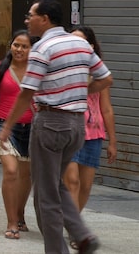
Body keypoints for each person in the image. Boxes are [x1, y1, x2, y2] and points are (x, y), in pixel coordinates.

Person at [0, 0, 113, 254]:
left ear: (45, 19)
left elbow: (26, 92)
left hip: (50, 123)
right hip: (76, 126)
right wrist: (80, 92)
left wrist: (7, 127)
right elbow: (106, 78)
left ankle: (59, 249)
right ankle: (81, 235)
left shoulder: (43, 48)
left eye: (31, 15)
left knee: (46, 196)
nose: (27, 20)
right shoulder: (80, 44)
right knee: (56, 184)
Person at [0, 30, 33, 240]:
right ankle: (11, 222)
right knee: (11, 172)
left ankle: (20, 213)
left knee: (25, 176)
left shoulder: (37, 71)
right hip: (5, 127)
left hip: (31, 127)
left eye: (24, 46)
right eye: (16, 45)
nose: (19, 50)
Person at [65, 26, 117, 218]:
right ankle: (72, 226)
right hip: (68, 131)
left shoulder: (99, 72)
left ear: (91, 46)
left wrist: (112, 141)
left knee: (85, 185)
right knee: (72, 181)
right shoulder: (62, 67)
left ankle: (73, 221)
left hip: (93, 134)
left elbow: (106, 108)